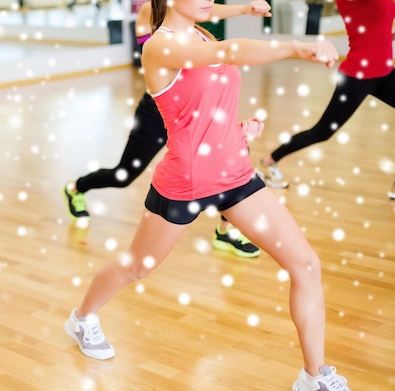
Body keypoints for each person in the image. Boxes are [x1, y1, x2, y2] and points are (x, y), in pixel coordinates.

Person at [64, 0, 367, 391]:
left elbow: (205, 103)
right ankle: (82, 318)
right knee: (137, 266)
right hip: (184, 183)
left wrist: (235, 130)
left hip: (236, 175)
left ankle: (315, 376)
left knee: (306, 265)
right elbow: (231, 53)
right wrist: (297, 46)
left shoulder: (202, 32)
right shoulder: (160, 46)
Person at [63, 0, 271, 258]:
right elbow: (198, 11)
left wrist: (243, 9)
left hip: (195, 105)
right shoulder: (152, 10)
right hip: (159, 111)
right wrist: (242, 10)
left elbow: (201, 10)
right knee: (124, 175)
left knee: (226, 159)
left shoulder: (188, 13)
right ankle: (76, 188)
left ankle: (225, 231)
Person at [257, 0, 395, 196]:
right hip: (358, 76)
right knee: (322, 131)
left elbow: (377, 26)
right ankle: (270, 162)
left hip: (385, 72)